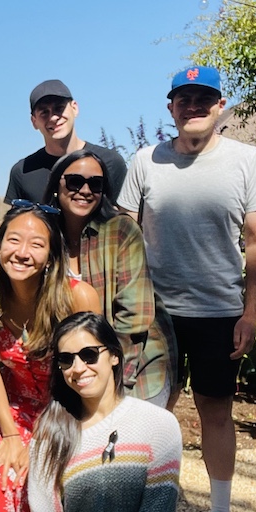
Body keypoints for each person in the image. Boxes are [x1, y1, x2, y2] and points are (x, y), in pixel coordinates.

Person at [117, 65, 256, 512]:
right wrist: (125, 307)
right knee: (149, 413)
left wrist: (250, 312)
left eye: (203, 98)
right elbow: (124, 235)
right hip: (155, 315)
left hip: (218, 311)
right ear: (170, 107)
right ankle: (144, 509)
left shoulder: (246, 161)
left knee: (214, 411)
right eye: (183, 99)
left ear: (220, 105)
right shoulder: (146, 160)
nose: (193, 106)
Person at [0, 203, 101, 512]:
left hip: (68, 410)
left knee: (52, 482)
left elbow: (94, 372)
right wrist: (11, 434)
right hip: (15, 410)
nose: (22, 252)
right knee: (7, 474)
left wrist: (60, 432)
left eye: (36, 244)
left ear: (51, 256)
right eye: (13, 240)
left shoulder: (77, 297)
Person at [28, 312, 182, 512]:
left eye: (88, 354)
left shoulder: (157, 424)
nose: (78, 367)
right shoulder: (50, 433)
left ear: (113, 355)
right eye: (66, 359)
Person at [44, 149, 176, 406]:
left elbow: (135, 317)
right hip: (75, 370)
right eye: (74, 181)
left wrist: (108, 377)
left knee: (131, 444)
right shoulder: (46, 236)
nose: (85, 189)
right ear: (56, 184)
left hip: (133, 366)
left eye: (95, 183)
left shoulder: (121, 230)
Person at [5, 79, 127, 207]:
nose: (53, 117)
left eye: (59, 108)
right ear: (34, 121)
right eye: (44, 112)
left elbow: (124, 221)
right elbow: (15, 223)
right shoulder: (23, 172)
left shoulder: (110, 163)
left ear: (75, 108)